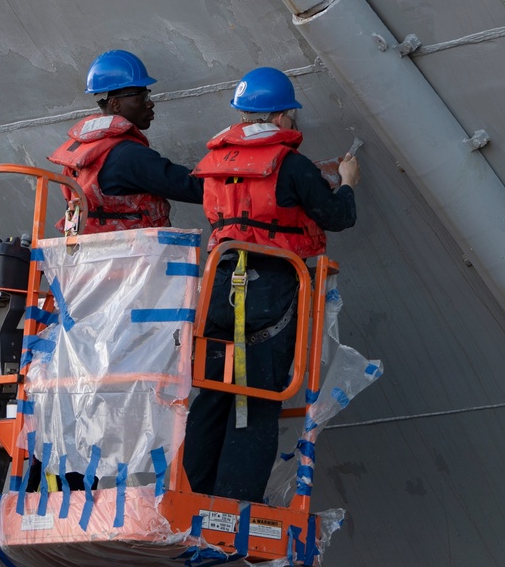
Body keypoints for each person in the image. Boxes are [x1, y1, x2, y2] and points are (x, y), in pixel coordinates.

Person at [182, 66, 359, 504]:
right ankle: (233, 504)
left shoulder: (216, 164)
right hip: (269, 294)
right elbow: (338, 217)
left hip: (219, 289)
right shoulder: (292, 165)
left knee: (214, 395)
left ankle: (191, 497)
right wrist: (348, 183)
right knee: (257, 399)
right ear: (281, 118)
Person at [48, 50, 203, 232]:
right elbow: (189, 186)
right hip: (137, 256)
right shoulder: (127, 155)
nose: (150, 103)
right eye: (142, 97)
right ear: (115, 104)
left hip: (92, 255)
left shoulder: (83, 153)